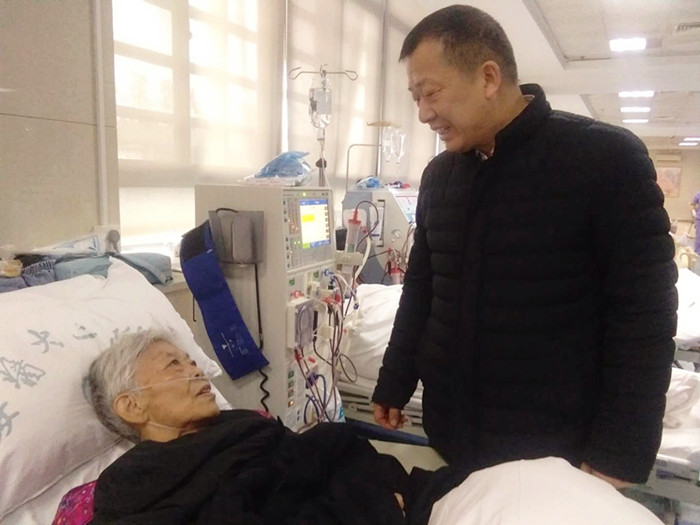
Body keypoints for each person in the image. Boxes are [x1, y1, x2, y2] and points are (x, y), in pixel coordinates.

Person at [372, 3, 678, 494]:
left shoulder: (604, 161)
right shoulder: (440, 177)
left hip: (556, 455)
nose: (424, 113)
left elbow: (644, 317)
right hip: (452, 434)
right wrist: (395, 380)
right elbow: (423, 291)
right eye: (416, 97)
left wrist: (618, 452)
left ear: (488, 77)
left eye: (431, 92)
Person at [85, 330, 410, 524]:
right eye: (174, 364)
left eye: (191, 361)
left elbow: (319, 454)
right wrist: (369, 505)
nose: (197, 371)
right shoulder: (132, 484)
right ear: (132, 406)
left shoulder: (242, 427)